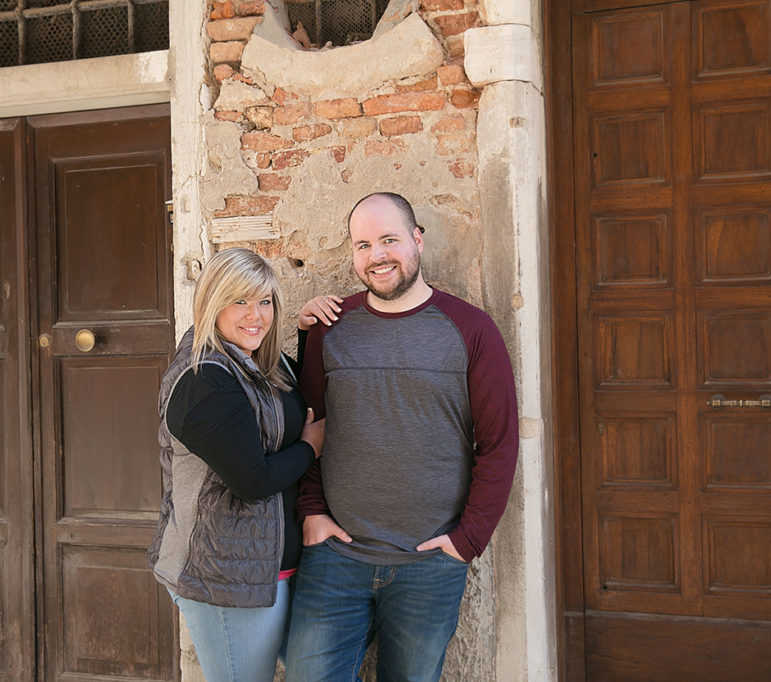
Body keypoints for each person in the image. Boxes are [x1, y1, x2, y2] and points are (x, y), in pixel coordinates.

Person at [285, 192, 520, 681]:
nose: (377, 256)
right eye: (363, 244)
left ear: (417, 240)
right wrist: (311, 512)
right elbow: (308, 427)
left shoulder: (472, 330)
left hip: (429, 566)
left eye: (389, 239)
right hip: (336, 559)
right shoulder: (331, 327)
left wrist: (466, 540)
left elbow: (498, 444)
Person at [147, 247, 326, 682]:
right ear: (212, 303)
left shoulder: (260, 360)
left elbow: (290, 402)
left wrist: (306, 335)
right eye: (240, 300)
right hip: (223, 579)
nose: (256, 315)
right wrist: (309, 449)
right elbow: (252, 479)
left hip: (270, 567)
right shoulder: (204, 380)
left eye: (264, 301)